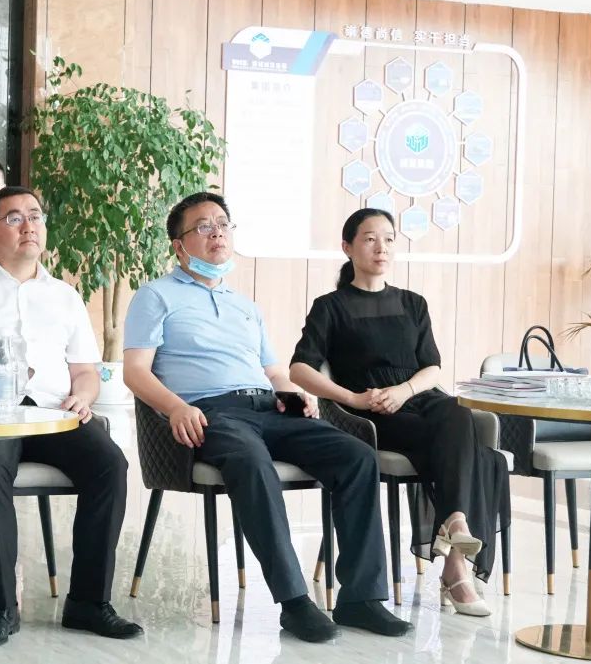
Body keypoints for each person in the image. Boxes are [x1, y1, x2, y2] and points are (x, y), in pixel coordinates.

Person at [123, 191, 412, 643]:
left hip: (269, 407)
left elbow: (274, 371)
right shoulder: (155, 296)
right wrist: (177, 407)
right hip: (210, 413)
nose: (217, 233)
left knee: (357, 456)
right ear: (179, 246)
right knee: (251, 463)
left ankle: (361, 599)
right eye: (203, 227)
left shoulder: (244, 305)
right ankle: (294, 601)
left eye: (223, 224)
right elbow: (135, 371)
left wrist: (293, 394)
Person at [0, 186, 142, 648]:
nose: (29, 225)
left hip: (53, 413)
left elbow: (85, 371)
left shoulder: (65, 296)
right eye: (14, 218)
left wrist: (83, 398)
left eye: (35, 216)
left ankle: (88, 602)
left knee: (110, 465)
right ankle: (1, 608)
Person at [289, 207, 510, 617]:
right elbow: (299, 369)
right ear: (347, 247)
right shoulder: (330, 307)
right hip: (368, 414)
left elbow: (432, 367)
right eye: (370, 239)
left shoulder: (413, 303)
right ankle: (456, 562)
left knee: (458, 414)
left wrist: (404, 390)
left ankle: (454, 533)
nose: (382, 248)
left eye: (389, 239)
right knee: (477, 453)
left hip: (416, 398)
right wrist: (354, 399)